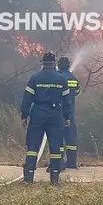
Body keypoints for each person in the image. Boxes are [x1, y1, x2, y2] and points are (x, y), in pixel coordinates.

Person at [20, 53, 71, 186]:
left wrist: (24, 116)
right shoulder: (61, 79)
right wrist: (67, 116)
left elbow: (27, 99)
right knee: (55, 147)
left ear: (43, 63)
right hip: (55, 115)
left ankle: (28, 178)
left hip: (38, 114)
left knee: (33, 146)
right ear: (54, 63)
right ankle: (54, 179)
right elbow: (67, 101)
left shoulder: (35, 78)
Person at [57, 56, 81, 169]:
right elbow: (77, 92)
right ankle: (71, 163)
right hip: (70, 114)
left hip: (57, 113)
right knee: (71, 138)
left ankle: (59, 161)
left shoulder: (56, 77)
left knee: (58, 137)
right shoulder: (74, 79)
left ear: (58, 65)